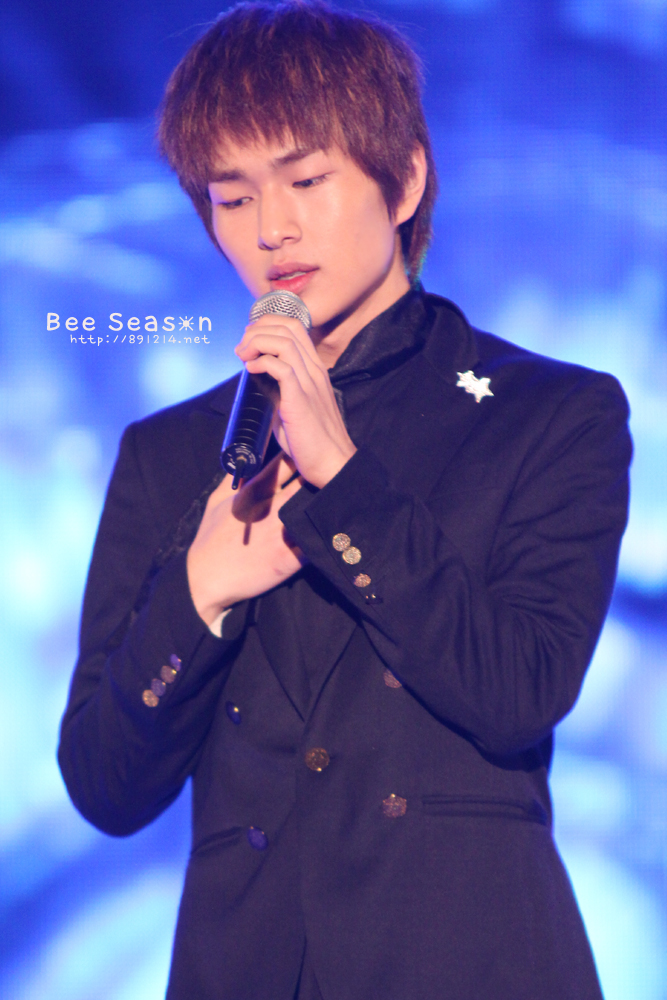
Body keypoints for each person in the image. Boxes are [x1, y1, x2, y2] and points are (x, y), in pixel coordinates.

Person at [58, 3, 632, 998]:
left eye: (306, 180)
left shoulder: (549, 413)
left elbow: (519, 693)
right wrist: (198, 592)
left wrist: (345, 480)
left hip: (467, 962)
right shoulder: (171, 454)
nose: (270, 229)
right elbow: (105, 785)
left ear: (403, 179)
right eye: (232, 197)